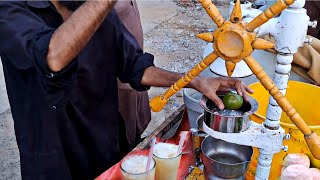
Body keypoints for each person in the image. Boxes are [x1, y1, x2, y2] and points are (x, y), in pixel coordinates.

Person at [0, 1, 253, 180]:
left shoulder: (94, 9)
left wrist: (193, 80)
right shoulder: (11, 10)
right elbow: (52, 58)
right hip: (52, 150)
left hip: (102, 138)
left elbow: (135, 67)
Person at [114, 1, 151, 148]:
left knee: (134, 95)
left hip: (133, 57)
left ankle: (134, 140)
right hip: (115, 66)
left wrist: (190, 80)